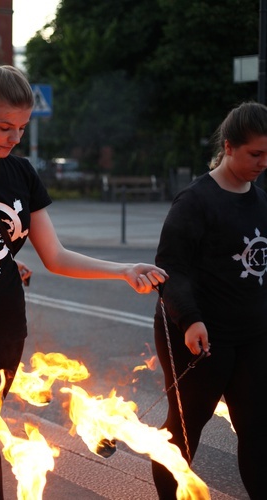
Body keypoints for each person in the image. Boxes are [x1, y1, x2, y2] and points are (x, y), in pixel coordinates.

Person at [0, 65, 167, 499]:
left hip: (6, 327)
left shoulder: (21, 173)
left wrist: (121, 270)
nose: (13, 137)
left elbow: (56, 256)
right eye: (4, 126)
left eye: (21, 128)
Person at [150, 102, 267, 499]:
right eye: (256, 154)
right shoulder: (195, 201)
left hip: (252, 336)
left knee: (256, 428)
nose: (263, 163)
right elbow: (170, 270)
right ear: (229, 146)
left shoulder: (262, 202)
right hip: (199, 334)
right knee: (184, 428)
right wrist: (190, 319)